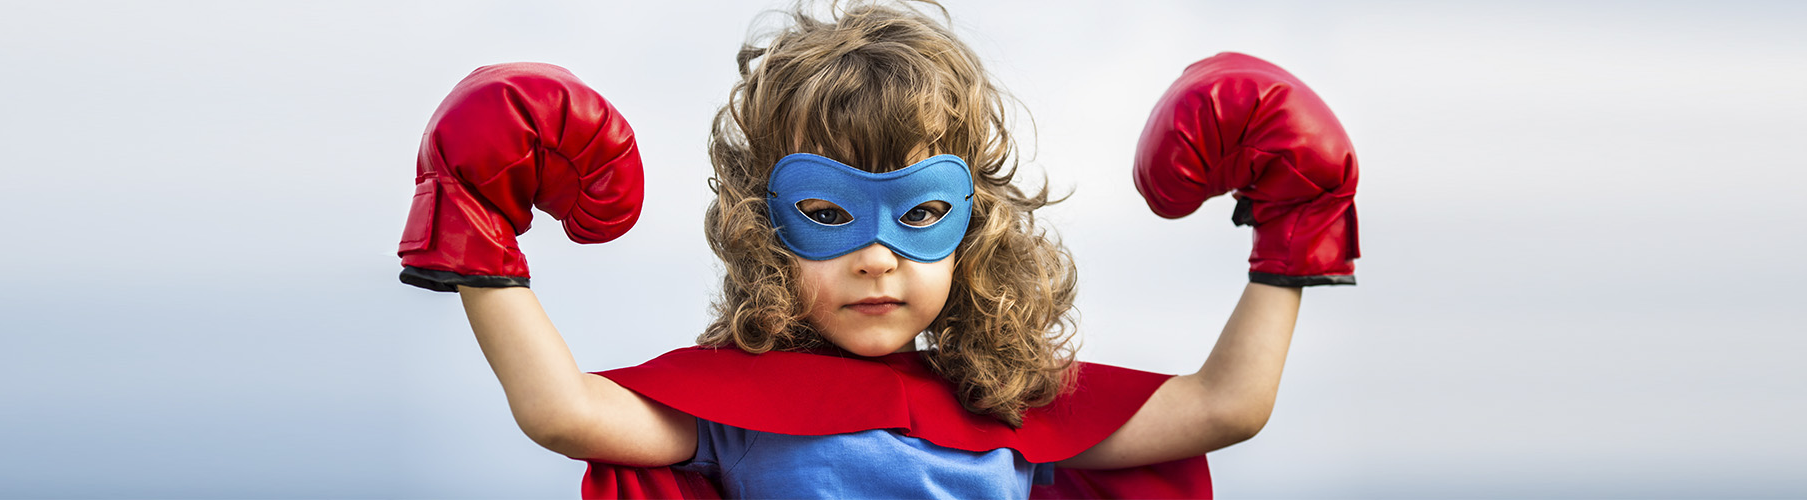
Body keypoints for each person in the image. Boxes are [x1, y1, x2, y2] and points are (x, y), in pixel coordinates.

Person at [394, 1, 1357, 498]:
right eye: (829, 213)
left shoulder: (1015, 417)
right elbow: (566, 414)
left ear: (973, 231)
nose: (877, 258)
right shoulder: (742, 415)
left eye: (918, 214)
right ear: (763, 232)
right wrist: (474, 227)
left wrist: (1294, 230)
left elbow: (1224, 407)